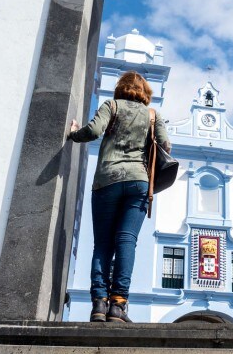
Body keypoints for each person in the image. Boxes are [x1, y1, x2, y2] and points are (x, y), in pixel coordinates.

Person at [68, 71, 171, 323]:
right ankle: (118, 305)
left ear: (120, 88)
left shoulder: (111, 106)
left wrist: (73, 133)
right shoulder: (152, 115)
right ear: (145, 92)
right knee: (126, 241)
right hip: (139, 182)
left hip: (107, 180)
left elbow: (93, 131)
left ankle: (99, 304)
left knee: (103, 244)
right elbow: (165, 146)